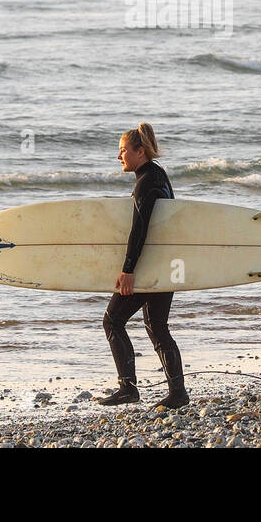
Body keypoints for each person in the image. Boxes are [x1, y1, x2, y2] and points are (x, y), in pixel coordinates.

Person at [96, 123, 189, 408]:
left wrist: (128, 271)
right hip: (164, 266)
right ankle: (178, 393)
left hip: (149, 267)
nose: (119, 156)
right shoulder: (158, 175)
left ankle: (128, 388)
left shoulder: (145, 184)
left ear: (140, 151)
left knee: (112, 321)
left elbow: (139, 231)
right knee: (157, 325)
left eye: (123, 150)